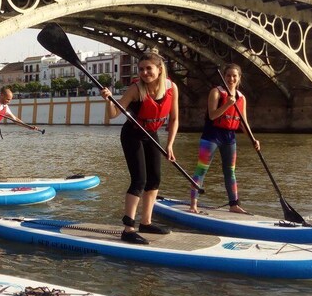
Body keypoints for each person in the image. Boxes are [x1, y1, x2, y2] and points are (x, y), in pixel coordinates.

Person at [100, 52, 178, 244]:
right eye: (141, 69)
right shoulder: (136, 89)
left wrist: (170, 145)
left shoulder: (171, 87)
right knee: (139, 180)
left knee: (155, 179)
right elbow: (113, 115)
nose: (144, 72)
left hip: (152, 134)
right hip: (132, 135)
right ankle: (128, 229)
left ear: (159, 69)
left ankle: (146, 222)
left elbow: (175, 119)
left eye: (148, 68)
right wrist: (108, 99)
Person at [189, 64, 259, 215]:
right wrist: (228, 104)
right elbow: (213, 115)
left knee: (230, 172)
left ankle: (234, 204)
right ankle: (193, 204)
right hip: (211, 135)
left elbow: (243, 122)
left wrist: (253, 139)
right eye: (228, 75)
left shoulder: (241, 98)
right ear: (224, 76)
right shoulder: (216, 92)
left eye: (235, 76)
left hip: (229, 137)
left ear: (239, 78)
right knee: (201, 169)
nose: (231, 79)